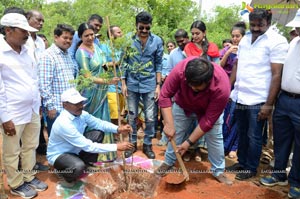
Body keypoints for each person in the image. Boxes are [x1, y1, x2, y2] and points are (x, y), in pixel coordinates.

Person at [227, 8, 289, 180]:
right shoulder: (245, 39)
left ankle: (251, 168)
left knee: (254, 135)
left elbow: (277, 74)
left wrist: (269, 104)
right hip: (240, 95)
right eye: (252, 24)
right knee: (241, 130)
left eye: (259, 25)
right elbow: (237, 65)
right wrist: (229, 88)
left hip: (259, 99)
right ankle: (242, 161)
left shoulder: (277, 42)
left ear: (268, 22)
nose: (255, 28)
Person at [155, 57, 232, 185]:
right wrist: (169, 124)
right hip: (183, 104)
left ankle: (218, 171)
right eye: (189, 84)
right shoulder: (180, 70)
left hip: (208, 110)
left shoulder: (222, 87)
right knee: (176, 133)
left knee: (215, 136)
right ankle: (168, 163)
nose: (191, 88)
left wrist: (188, 143)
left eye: (196, 87)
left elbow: (208, 121)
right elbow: (165, 95)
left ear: (207, 82)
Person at [0, 13, 48, 199]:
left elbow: (33, 79)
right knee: (12, 151)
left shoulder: (27, 50)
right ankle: (15, 183)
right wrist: (5, 118)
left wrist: (38, 103)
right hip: (12, 112)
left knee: (31, 145)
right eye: (23, 31)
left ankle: (29, 176)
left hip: (32, 109)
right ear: (8, 30)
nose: (27, 35)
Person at [47, 88, 134, 187]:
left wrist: (118, 129)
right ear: (65, 105)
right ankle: (64, 174)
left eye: (81, 102)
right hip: (61, 155)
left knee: (97, 133)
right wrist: (116, 147)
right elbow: (88, 146)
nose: (80, 106)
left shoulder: (81, 114)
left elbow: (99, 123)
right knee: (78, 166)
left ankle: (86, 164)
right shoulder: (64, 123)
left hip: (76, 149)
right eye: (76, 104)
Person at [260, 9, 300, 199]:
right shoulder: (293, 43)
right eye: (297, 27)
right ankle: (278, 173)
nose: (297, 30)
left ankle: (297, 182)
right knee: (281, 139)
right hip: (284, 99)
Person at [121, 11, 163, 159]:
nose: (144, 31)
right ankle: (131, 144)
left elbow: (158, 64)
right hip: (132, 83)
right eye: (141, 28)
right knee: (132, 115)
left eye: (147, 28)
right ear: (136, 26)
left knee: (151, 117)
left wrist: (158, 85)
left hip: (150, 83)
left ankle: (147, 145)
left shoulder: (157, 41)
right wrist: (123, 83)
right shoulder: (127, 40)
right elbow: (124, 62)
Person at [75, 23, 119, 162]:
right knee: (91, 121)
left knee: (104, 118)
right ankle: (90, 155)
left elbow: (103, 65)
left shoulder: (97, 47)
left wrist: (114, 64)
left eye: (92, 34)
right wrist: (108, 82)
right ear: (80, 37)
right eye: (86, 35)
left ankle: (106, 154)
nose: (90, 37)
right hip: (90, 93)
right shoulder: (81, 52)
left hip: (102, 91)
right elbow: (88, 77)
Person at [38, 24, 76, 136]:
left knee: (68, 141)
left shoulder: (68, 55)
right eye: (65, 38)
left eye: (70, 38)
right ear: (56, 37)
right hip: (57, 109)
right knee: (58, 142)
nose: (68, 41)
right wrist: (51, 107)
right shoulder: (48, 56)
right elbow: (44, 85)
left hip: (70, 108)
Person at [220, 21, 246, 159]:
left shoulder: (247, 50)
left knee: (238, 118)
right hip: (228, 86)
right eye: (233, 36)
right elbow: (220, 65)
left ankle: (234, 147)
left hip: (242, 88)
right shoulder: (227, 50)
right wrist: (229, 52)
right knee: (227, 117)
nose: (235, 39)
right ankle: (224, 145)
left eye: (238, 36)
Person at [106, 25, 125, 126]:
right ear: (111, 35)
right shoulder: (105, 47)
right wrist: (112, 64)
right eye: (118, 33)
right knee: (114, 114)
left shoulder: (122, 48)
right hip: (111, 86)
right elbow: (102, 65)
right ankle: (114, 137)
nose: (121, 34)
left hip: (121, 86)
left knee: (119, 113)